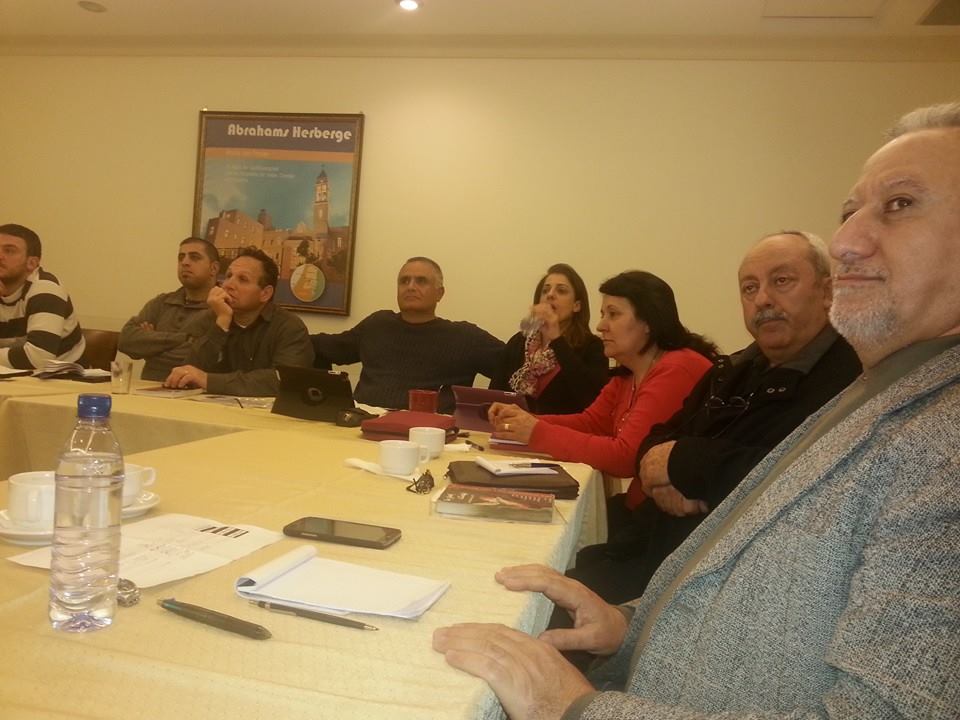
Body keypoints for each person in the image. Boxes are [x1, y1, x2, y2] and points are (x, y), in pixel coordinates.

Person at [433, 101, 960, 720]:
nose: (845, 241)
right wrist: (629, 625)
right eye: (849, 213)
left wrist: (574, 709)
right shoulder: (874, 388)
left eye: (899, 204)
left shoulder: (940, 433)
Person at [570, 232, 861, 605]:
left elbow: (800, 479)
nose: (763, 299)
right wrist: (675, 469)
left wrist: (683, 462)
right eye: (749, 288)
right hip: (654, 554)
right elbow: (653, 442)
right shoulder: (733, 370)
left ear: (827, 291)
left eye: (782, 281)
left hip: (723, 589)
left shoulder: (853, 378)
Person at [489, 271, 717, 480]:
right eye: (602, 314)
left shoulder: (676, 369)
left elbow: (626, 457)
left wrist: (537, 431)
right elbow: (592, 423)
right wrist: (524, 419)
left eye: (613, 314)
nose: (600, 326)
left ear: (648, 322)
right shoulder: (627, 374)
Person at [311, 256, 504, 413]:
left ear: (440, 293)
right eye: (404, 281)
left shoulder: (465, 337)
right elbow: (324, 346)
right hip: (362, 425)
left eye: (421, 281)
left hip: (428, 435)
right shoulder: (377, 325)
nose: (410, 287)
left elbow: (513, 368)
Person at [164, 246, 313, 396]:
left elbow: (284, 380)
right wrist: (221, 323)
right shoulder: (213, 316)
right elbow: (189, 371)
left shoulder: (289, 327)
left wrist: (208, 380)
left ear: (265, 294)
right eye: (228, 276)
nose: (228, 285)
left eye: (243, 279)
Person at [490, 263, 607, 414]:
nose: (550, 295)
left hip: (562, 428)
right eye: (545, 291)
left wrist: (557, 340)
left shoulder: (592, 347)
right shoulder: (519, 341)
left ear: (577, 305)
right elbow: (494, 394)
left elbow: (591, 400)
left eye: (561, 291)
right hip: (511, 427)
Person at [118, 237, 220, 381]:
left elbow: (199, 359)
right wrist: (185, 339)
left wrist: (152, 345)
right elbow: (126, 340)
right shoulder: (161, 302)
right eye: (181, 257)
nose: (185, 262)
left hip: (194, 390)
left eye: (194, 257)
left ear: (213, 268)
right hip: (148, 388)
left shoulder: (222, 308)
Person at [0, 223, 85, 369]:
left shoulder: (46, 289)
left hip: (63, 379)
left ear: (32, 263)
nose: (0, 256)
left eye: (9, 251)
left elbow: (38, 359)